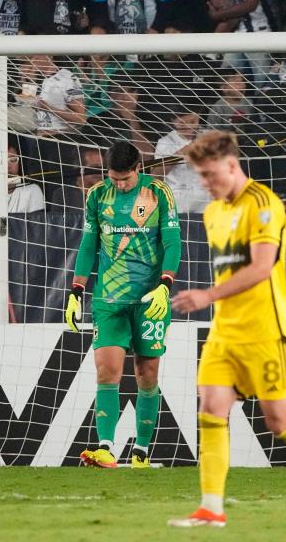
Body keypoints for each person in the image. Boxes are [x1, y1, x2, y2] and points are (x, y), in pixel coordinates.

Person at [168, 129, 286, 529]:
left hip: (266, 330)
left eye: (210, 174)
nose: (205, 183)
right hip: (224, 332)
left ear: (231, 165)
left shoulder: (264, 203)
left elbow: (260, 268)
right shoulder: (211, 212)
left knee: (279, 423)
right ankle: (211, 507)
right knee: (211, 409)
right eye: (199, 176)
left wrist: (207, 296)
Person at [65, 141, 181, 469]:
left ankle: (142, 451)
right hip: (109, 299)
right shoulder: (98, 195)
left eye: (125, 180)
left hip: (149, 300)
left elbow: (173, 243)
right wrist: (76, 291)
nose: (119, 185)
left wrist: (165, 285)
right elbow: (88, 244)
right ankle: (105, 448)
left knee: (147, 374)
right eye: (114, 178)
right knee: (107, 371)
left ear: (138, 170)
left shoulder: (159, 193)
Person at [153, 111, 212, 213]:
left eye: (193, 121)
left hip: (206, 201)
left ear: (199, 118)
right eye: (182, 123)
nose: (188, 127)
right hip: (177, 202)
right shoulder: (165, 142)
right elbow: (156, 175)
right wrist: (180, 154)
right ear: (173, 121)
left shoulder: (211, 137)